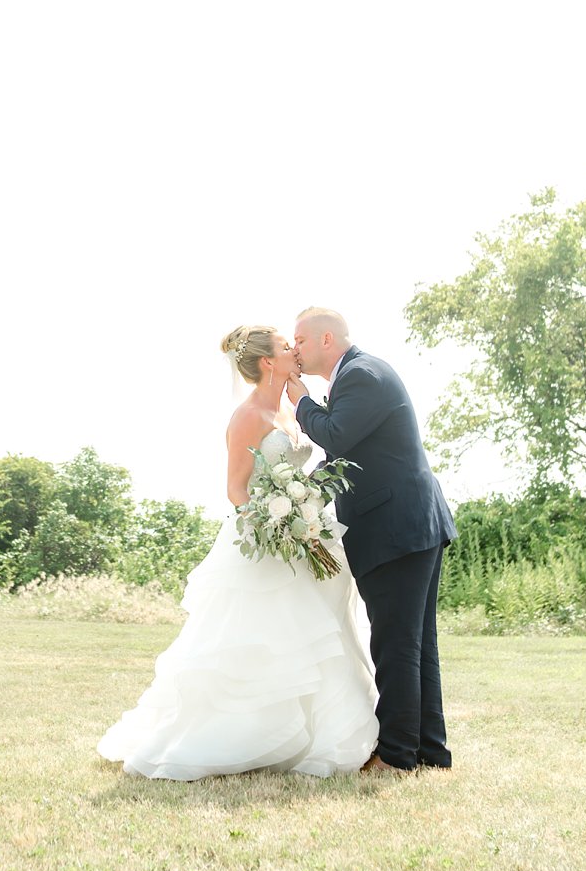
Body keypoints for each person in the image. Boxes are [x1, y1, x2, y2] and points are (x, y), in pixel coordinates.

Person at [96, 325, 378, 780]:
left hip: (305, 533)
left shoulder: (288, 409)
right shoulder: (247, 416)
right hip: (267, 540)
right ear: (269, 362)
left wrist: (304, 517)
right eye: (288, 347)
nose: (295, 350)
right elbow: (235, 489)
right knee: (262, 638)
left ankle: (316, 736)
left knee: (319, 632)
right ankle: (240, 738)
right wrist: (280, 525)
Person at [287, 307, 457, 773]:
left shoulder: (361, 375)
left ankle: (398, 755)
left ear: (326, 339)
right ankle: (430, 750)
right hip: (409, 522)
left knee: (396, 642)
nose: (294, 349)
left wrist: (301, 400)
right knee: (415, 641)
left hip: (397, 526)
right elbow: (355, 456)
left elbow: (337, 436)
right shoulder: (358, 376)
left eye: (299, 340)